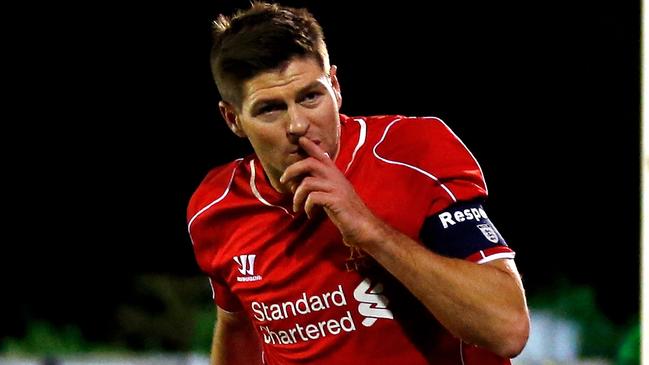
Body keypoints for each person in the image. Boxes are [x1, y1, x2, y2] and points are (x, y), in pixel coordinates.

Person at [187, 2, 530, 364]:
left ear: (335, 87)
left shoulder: (412, 153)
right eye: (270, 108)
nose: (298, 125)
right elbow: (237, 327)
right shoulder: (216, 207)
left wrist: (370, 231)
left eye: (310, 96)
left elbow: (506, 329)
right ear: (232, 119)